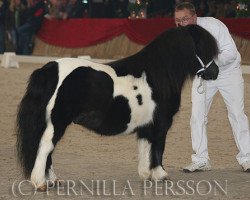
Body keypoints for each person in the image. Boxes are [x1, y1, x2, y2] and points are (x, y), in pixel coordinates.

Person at [174, 2, 250, 172]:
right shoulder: (178, 36)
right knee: (197, 116)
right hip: (204, 76)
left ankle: (247, 158)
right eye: (177, 20)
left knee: (237, 114)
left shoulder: (213, 26)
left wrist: (212, 63)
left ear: (194, 17)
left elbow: (230, 53)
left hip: (228, 73)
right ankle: (201, 159)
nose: (181, 23)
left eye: (185, 19)